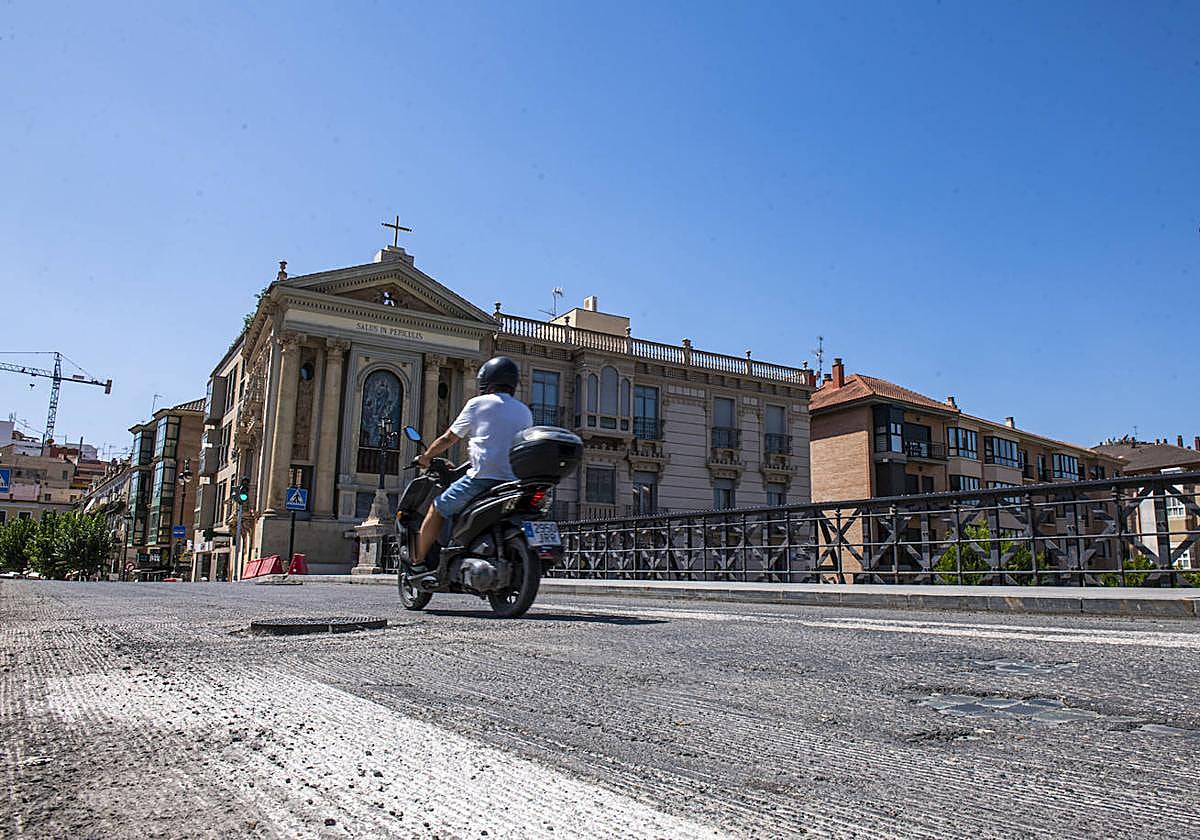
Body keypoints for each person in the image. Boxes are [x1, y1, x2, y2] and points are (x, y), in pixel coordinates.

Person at [409, 356, 533, 574]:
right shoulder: (524, 411)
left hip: (482, 479)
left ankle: (417, 563)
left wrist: (426, 457)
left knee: (437, 508)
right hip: (514, 483)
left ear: (487, 382)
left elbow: (449, 438)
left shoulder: (477, 404)